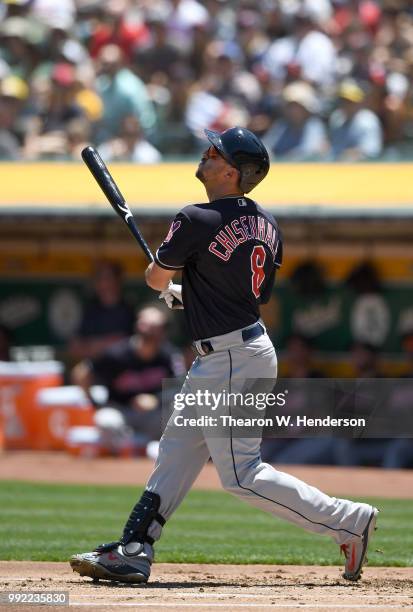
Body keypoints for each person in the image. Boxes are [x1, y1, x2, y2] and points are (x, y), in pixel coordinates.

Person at [70, 126, 378, 585]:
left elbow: (155, 279)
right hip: (240, 348)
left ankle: (347, 521)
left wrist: (167, 281)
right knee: (176, 452)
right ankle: (135, 547)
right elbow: (246, 292)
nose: (205, 153)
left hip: (232, 357)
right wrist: (189, 295)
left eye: (214, 151)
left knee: (240, 474)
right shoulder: (269, 225)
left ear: (231, 171)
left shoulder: (195, 217)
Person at [72, 305, 184, 446]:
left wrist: (155, 399)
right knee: (106, 422)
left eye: (155, 326)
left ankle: (142, 446)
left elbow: (181, 387)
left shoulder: (170, 355)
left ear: (163, 330)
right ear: (138, 326)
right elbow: (82, 372)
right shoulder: (117, 353)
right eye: (146, 324)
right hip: (121, 410)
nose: (150, 330)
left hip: (153, 415)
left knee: (180, 413)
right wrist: (95, 403)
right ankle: (134, 447)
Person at [69, 260, 134, 361]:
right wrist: (105, 344)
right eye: (99, 278)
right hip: (95, 368)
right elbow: (75, 348)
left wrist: (94, 345)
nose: (103, 283)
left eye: (107, 278)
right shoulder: (91, 310)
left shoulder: (128, 310)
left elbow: (130, 346)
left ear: (118, 281)